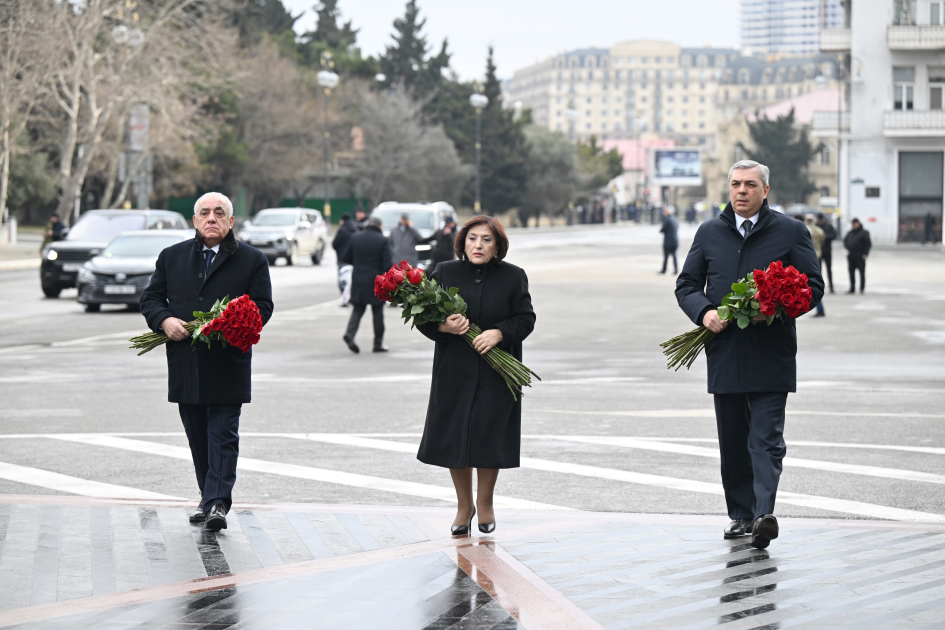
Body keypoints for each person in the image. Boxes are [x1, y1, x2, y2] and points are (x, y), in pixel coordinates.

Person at [675, 160, 823, 550]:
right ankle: (741, 514)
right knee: (733, 438)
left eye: (750, 185)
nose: (742, 191)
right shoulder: (709, 233)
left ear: (765, 191)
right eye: (736, 184)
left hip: (771, 352)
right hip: (724, 350)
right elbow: (687, 284)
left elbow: (813, 286)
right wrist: (704, 311)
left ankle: (764, 514)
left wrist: (776, 308)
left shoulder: (791, 231)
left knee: (766, 438)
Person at [140, 192, 274, 531]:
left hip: (228, 362)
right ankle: (207, 497)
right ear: (195, 221)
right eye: (204, 213)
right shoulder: (172, 256)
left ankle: (217, 502)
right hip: (187, 361)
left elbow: (263, 306)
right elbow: (152, 298)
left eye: (219, 213)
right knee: (198, 436)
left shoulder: (252, 259)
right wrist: (164, 321)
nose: (211, 218)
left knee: (223, 435)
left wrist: (230, 324)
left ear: (231, 222)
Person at [416, 216, 536, 536]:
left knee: (488, 436)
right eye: (472, 239)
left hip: (497, 371)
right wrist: (444, 326)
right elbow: (423, 317)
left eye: (486, 239)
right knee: (456, 436)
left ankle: (485, 503)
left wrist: (499, 333)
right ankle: (463, 505)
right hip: (454, 369)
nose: (478, 245)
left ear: (497, 246)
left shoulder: (513, 277)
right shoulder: (443, 272)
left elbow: (525, 319)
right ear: (462, 243)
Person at [341, 216, 392, 353]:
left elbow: (346, 258)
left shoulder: (355, 237)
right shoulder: (382, 240)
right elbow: (387, 264)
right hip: (376, 280)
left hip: (358, 278)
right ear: (379, 226)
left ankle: (349, 334)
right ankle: (378, 343)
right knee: (378, 312)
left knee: (358, 308)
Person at [332, 214, 357, 306]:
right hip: (354, 259)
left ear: (342, 220)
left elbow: (334, 244)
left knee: (343, 281)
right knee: (352, 280)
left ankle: (345, 299)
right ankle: (352, 298)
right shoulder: (355, 230)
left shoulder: (342, 230)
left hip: (342, 259)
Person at [804, 215, 826, 317]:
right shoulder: (819, 230)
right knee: (816, 281)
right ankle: (820, 308)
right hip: (818, 255)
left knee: (810, 283)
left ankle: (820, 309)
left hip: (809, 257)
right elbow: (822, 240)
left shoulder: (805, 229)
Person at [843, 218, 871, 294]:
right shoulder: (850, 232)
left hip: (860, 255)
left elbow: (868, 244)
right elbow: (845, 241)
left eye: (854, 224)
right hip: (851, 255)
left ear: (858, 223)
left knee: (861, 273)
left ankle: (862, 288)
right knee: (851, 273)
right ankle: (852, 288)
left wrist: (865, 253)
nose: (853, 225)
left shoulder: (864, 233)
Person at [815, 213, 836, 294]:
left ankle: (831, 287)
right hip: (818, 252)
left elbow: (834, 235)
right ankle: (819, 287)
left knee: (829, 270)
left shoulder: (828, 226)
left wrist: (825, 236)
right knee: (818, 271)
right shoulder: (815, 227)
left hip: (827, 251)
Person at [659, 208, 679, 274]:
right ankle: (676, 269)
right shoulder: (675, 219)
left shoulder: (667, 220)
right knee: (674, 255)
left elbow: (662, 230)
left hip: (668, 241)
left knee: (666, 256)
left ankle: (664, 270)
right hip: (675, 240)